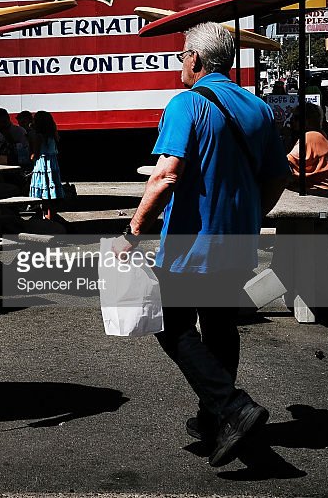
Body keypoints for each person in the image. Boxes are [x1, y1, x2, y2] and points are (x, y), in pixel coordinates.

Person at [117, 23, 290, 468]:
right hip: (238, 239)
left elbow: (165, 176)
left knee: (172, 327)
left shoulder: (187, 103)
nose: (180, 62)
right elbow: (277, 176)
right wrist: (250, 216)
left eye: (182, 55)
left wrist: (132, 233)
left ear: (195, 58)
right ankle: (215, 420)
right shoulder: (258, 106)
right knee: (219, 326)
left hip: (191, 243)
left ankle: (233, 406)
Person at [287, 103, 328, 191]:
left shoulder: (310, 137)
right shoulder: (320, 135)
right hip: (327, 189)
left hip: (319, 190)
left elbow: (286, 163)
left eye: (296, 118)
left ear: (306, 120)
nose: (292, 121)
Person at [28, 110, 64, 220]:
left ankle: (47, 220)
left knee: (44, 196)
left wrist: (30, 153)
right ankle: (51, 218)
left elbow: (35, 154)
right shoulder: (53, 135)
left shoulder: (38, 136)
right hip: (52, 165)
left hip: (42, 166)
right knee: (50, 195)